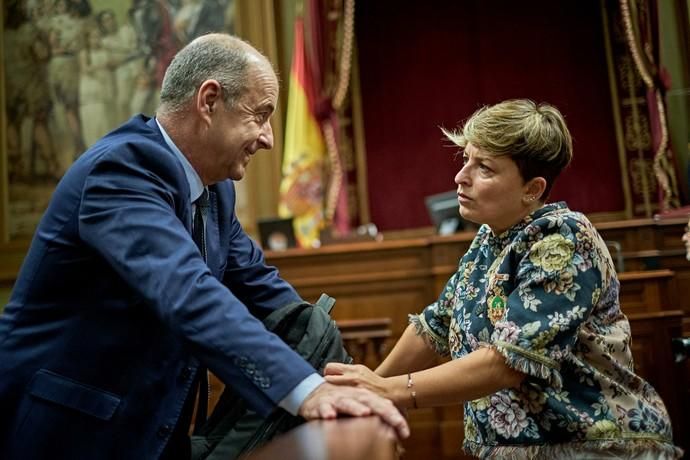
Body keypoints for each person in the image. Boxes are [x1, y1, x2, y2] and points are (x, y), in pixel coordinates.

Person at [0, 33, 408, 460]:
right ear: (209, 101)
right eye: (260, 115)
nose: (268, 138)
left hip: (150, 434)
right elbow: (188, 291)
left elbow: (267, 294)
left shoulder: (214, 193)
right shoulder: (121, 171)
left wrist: (338, 377)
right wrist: (305, 391)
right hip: (68, 435)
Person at [325, 99, 682, 459]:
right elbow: (433, 326)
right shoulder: (490, 238)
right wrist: (369, 388)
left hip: (594, 448)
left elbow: (508, 361)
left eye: (485, 168)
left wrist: (392, 391)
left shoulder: (563, 237)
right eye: (466, 159)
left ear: (533, 189)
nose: (460, 176)